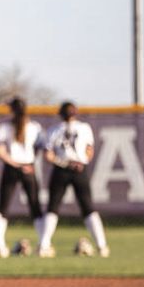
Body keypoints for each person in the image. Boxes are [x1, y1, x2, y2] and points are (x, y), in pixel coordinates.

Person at [37, 101, 109, 258]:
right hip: (79, 169)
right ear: (75, 113)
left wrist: (63, 163)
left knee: (52, 208)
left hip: (61, 170)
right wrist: (81, 162)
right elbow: (89, 151)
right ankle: (102, 246)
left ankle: (44, 245)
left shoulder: (54, 130)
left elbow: (48, 155)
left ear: (61, 114)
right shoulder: (84, 128)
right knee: (88, 207)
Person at [0, 97, 44, 256]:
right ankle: (43, 244)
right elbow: (40, 148)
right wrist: (29, 163)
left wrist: (13, 163)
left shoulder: (6, 127)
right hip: (28, 168)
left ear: (12, 110)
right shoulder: (35, 127)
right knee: (36, 208)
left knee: (3, 208)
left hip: (11, 168)